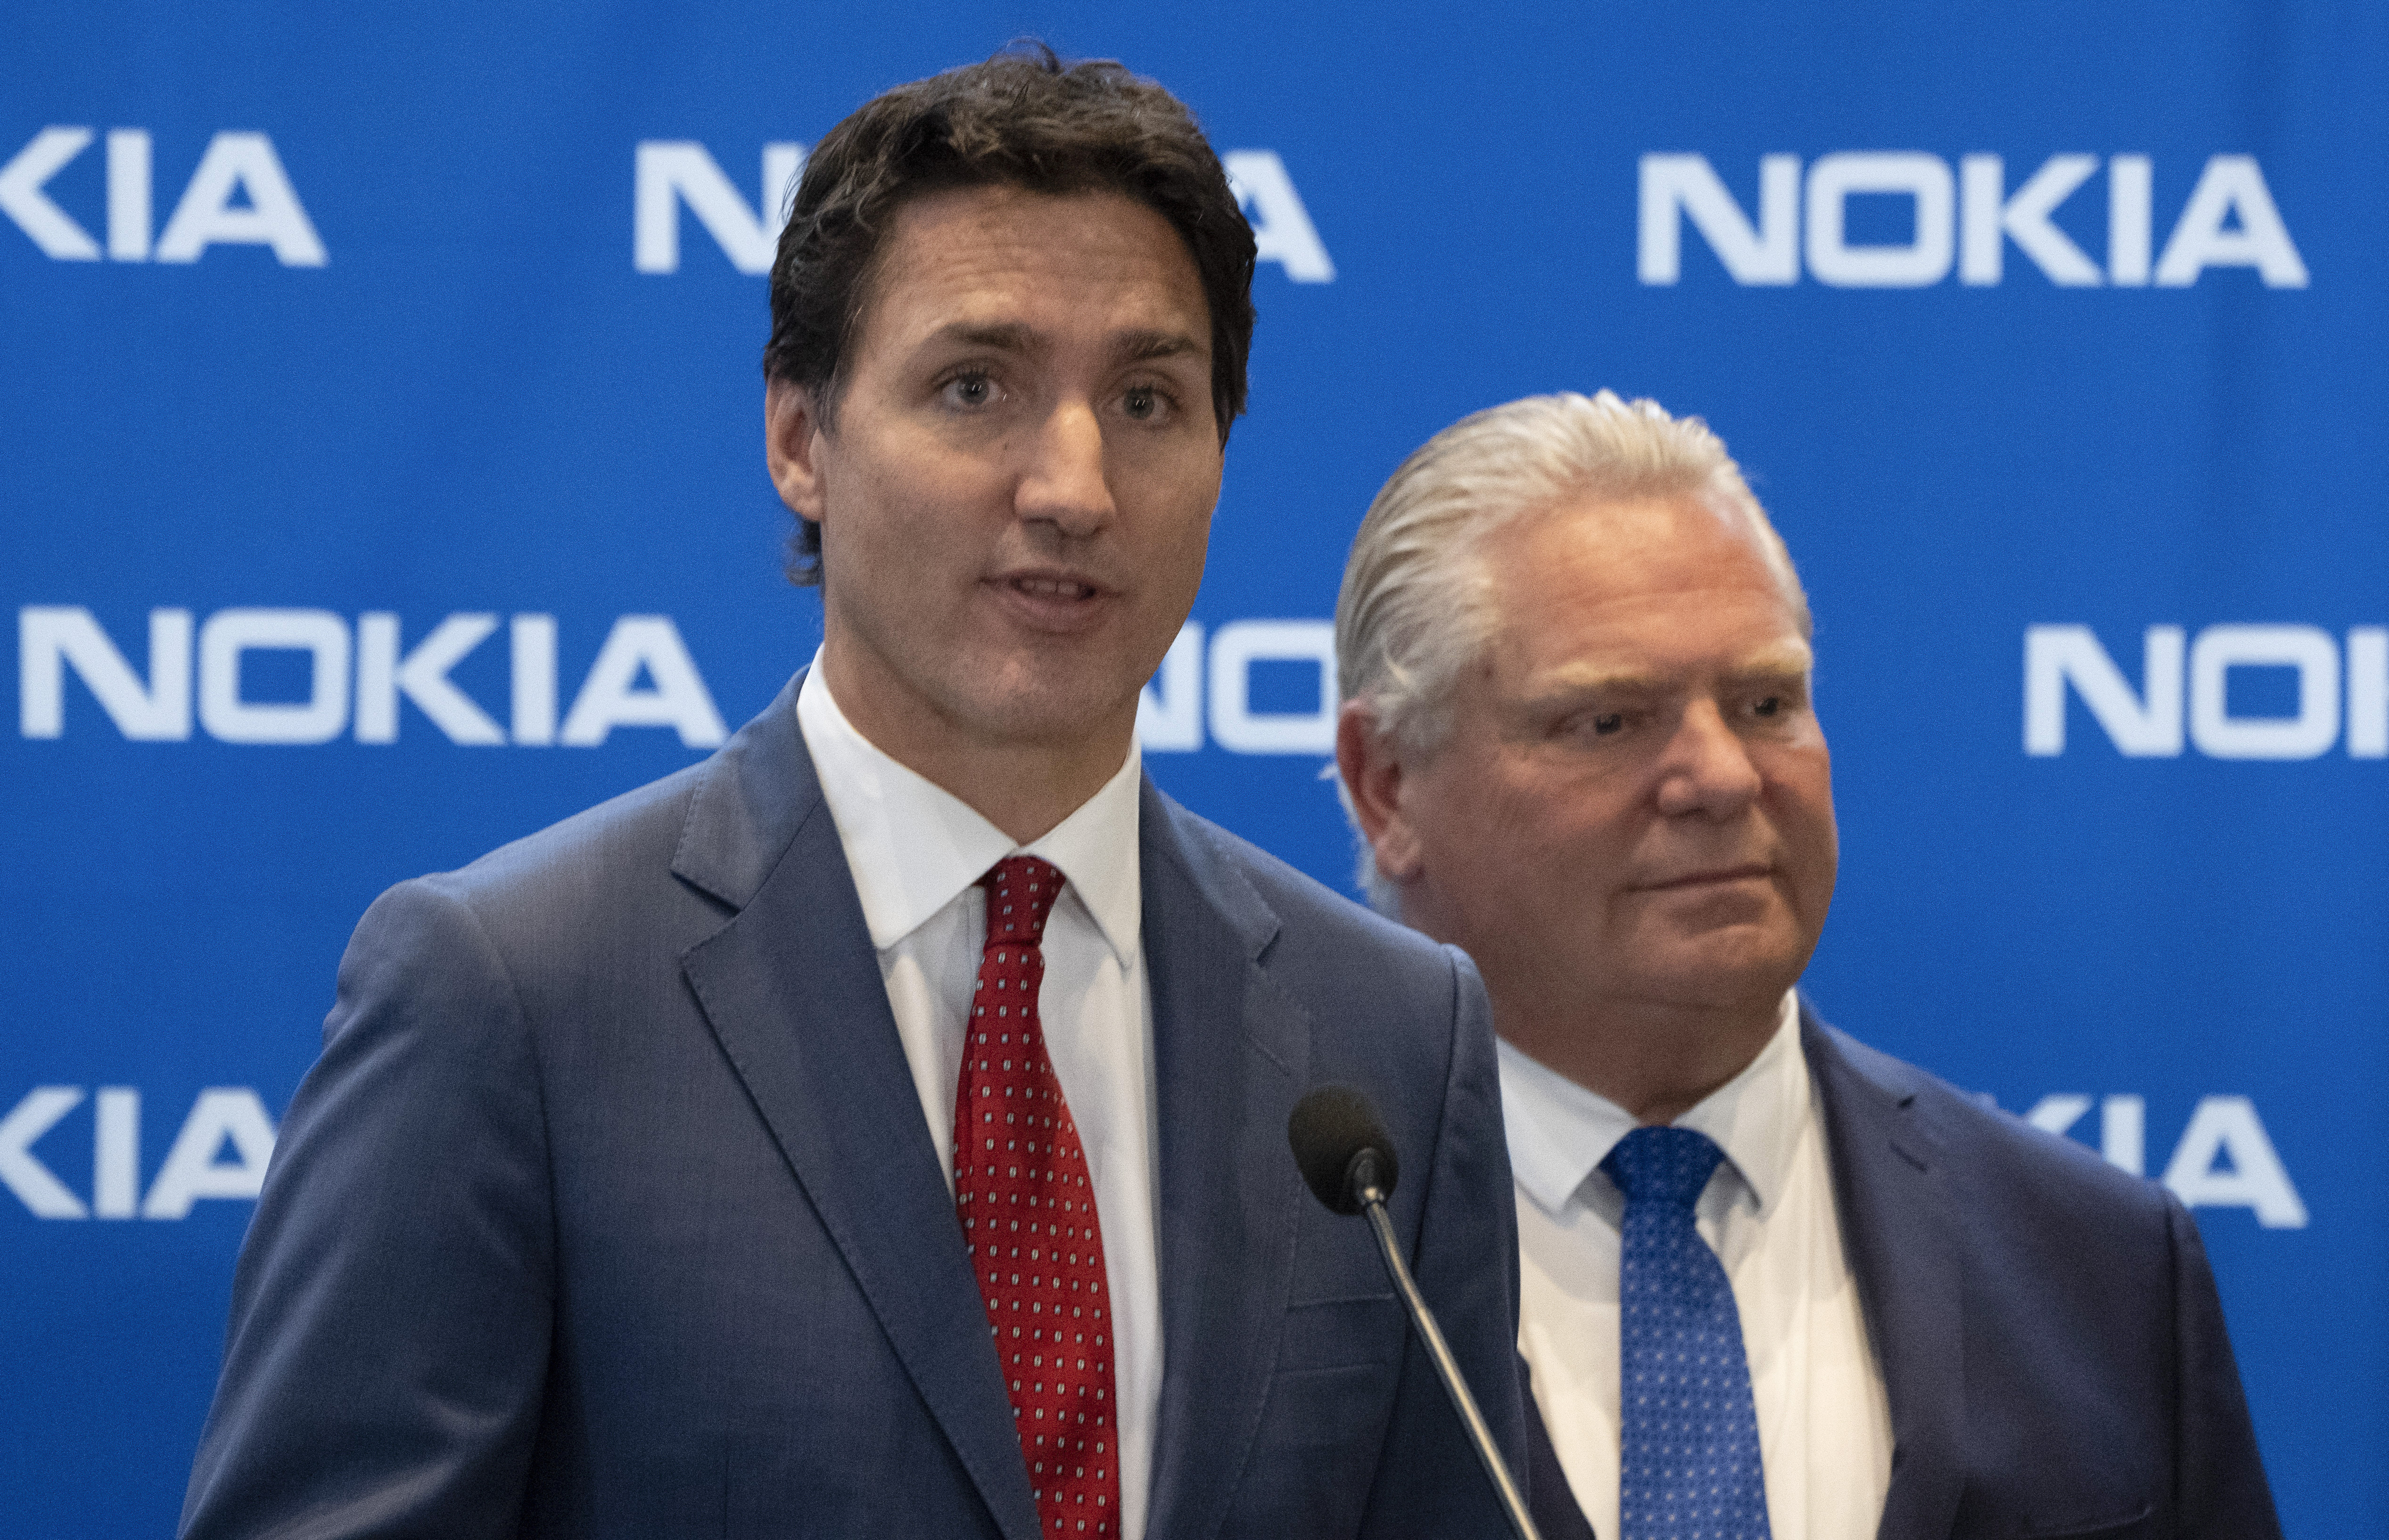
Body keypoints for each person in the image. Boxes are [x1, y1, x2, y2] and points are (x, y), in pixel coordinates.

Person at [180, 50, 1530, 1540]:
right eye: (975, 386)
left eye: (1148, 399)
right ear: (798, 441)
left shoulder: (1394, 1041)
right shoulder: (513, 999)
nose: (1073, 484)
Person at [1333, 391, 2282, 1540]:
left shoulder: (2102, 1265)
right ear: (1387, 785)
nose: (1724, 776)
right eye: (1608, 721)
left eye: (1765, 701)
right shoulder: (1243, 1261)